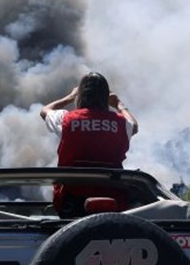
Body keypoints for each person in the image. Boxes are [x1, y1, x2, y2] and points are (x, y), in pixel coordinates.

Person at [40, 72, 139, 216]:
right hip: (113, 201)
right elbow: (134, 126)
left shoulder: (67, 120)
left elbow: (45, 111)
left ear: (80, 96)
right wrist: (119, 104)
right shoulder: (121, 123)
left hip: (71, 202)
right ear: (106, 98)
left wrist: (70, 97)